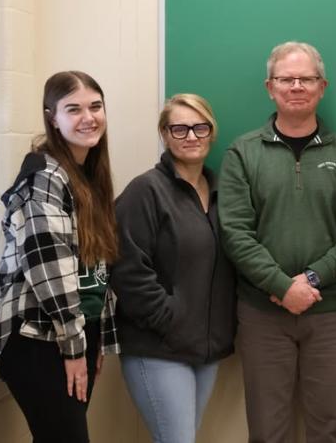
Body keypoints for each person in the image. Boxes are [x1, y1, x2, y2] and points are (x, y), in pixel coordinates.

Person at [219, 41, 336, 443]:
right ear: (270, 87)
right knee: (268, 431)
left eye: (306, 79)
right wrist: (281, 286)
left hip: (330, 313)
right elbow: (235, 232)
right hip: (261, 315)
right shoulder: (243, 153)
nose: (296, 86)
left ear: (322, 87)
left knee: (328, 428)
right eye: (286, 79)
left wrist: (310, 280)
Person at [0, 70, 120, 442]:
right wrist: (75, 345)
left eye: (95, 106)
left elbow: (95, 268)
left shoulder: (86, 174)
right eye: (73, 109)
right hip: (39, 338)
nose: (88, 117)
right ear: (52, 117)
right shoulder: (45, 175)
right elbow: (49, 268)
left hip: (74, 333)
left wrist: (93, 336)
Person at [111, 94, 237, 443]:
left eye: (200, 127)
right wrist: (170, 319)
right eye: (179, 128)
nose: (191, 136)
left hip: (206, 347)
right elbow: (126, 267)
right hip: (159, 347)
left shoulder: (221, 193)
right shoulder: (145, 191)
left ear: (212, 132)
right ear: (164, 135)